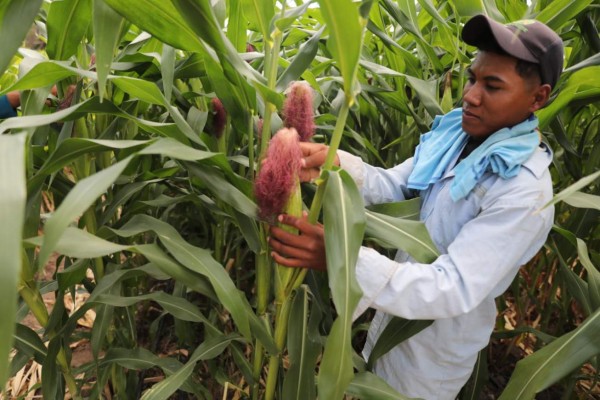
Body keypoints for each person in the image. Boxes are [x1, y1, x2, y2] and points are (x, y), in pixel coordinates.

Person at [267, 14, 563, 399]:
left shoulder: (525, 191)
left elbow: (452, 287)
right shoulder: (458, 137)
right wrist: (338, 162)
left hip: (431, 353)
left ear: (538, 97)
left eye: (493, 86)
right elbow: (400, 184)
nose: (470, 96)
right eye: (473, 78)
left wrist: (341, 256)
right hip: (391, 315)